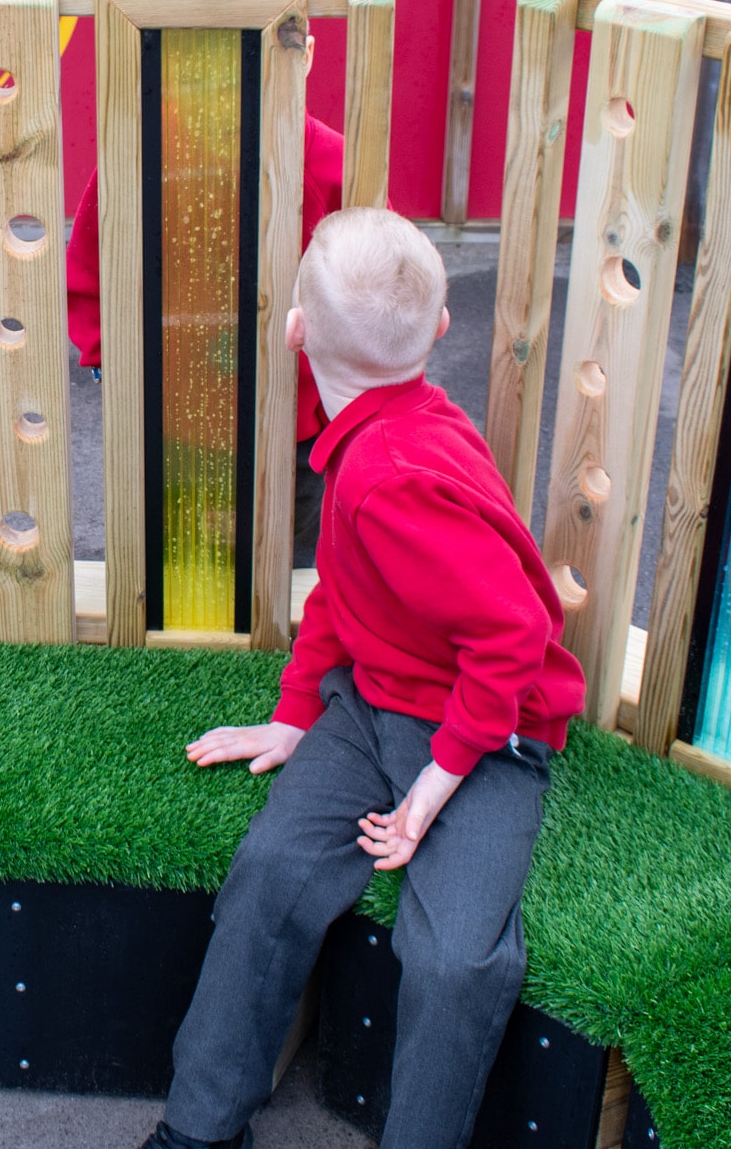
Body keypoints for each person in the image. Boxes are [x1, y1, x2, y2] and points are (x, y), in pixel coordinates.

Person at [139, 208, 586, 1149]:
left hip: (490, 734)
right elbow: (345, 592)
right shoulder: (368, 447)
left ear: (296, 333)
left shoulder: (392, 475)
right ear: (438, 328)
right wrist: (297, 715)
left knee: (455, 959)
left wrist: (439, 776)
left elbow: (513, 635)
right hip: (375, 700)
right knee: (268, 873)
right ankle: (202, 1124)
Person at [64, 0, 343, 567]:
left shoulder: (326, 158)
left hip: (299, 420)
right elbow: (93, 266)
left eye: (248, 56)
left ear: (303, 53)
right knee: (186, 559)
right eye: (201, 59)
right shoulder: (138, 154)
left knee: (294, 562)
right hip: (179, 419)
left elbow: (376, 270)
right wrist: (110, 355)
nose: (224, 85)